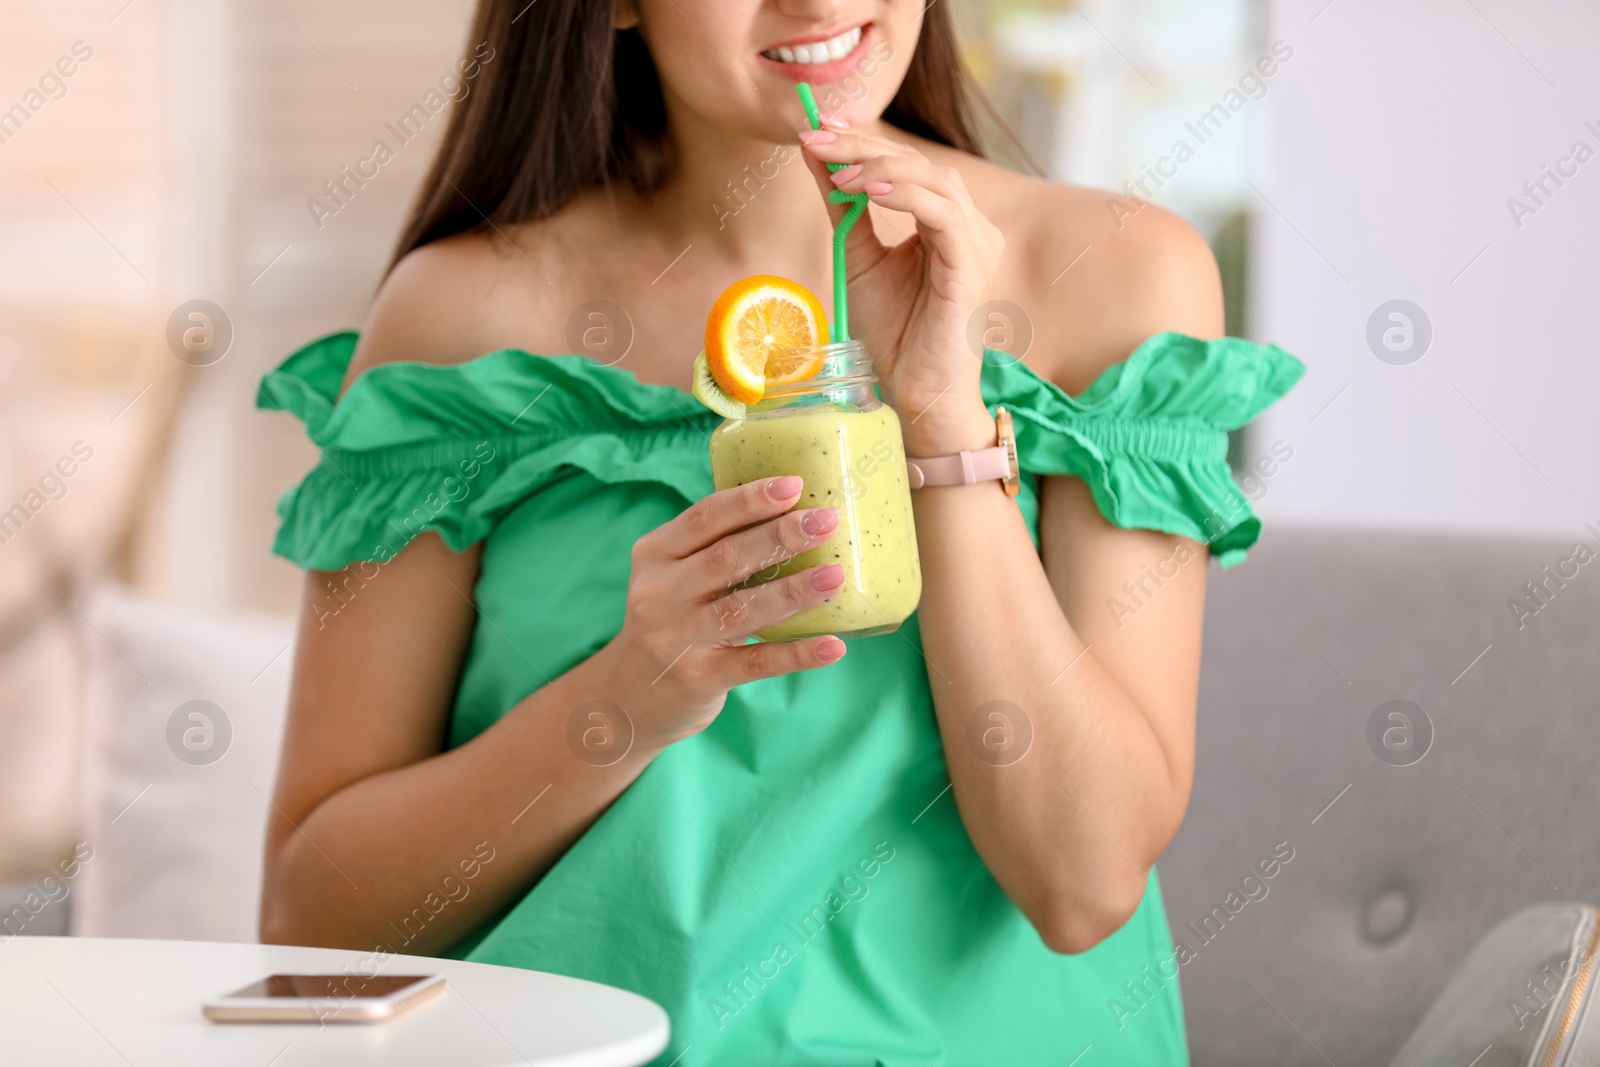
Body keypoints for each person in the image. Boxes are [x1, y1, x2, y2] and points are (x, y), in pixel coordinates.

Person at [256, 1, 1303, 1062]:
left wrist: (941, 428)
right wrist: (624, 696)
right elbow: (316, 929)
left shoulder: (1117, 276)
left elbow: (1081, 882)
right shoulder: (461, 323)